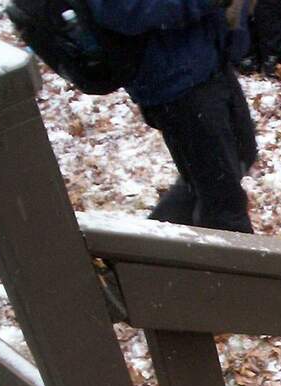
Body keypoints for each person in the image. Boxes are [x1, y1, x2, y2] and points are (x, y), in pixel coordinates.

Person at [83, 0, 258, 233]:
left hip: (208, 58)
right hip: (175, 84)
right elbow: (124, 12)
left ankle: (149, 251)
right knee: (224, 205)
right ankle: (235, 265)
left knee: (239, 154)